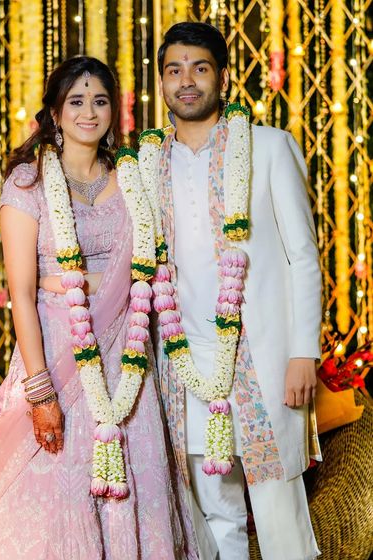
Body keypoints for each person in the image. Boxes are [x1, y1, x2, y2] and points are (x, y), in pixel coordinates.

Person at [0, 56, 198, 560]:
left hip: (126, 362)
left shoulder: (133, 179)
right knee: (59, 492)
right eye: (76, 101)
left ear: (114, 109)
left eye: (100, 100)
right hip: (57, 349)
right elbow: (22, 295)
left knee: (134, 489)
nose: (89, 112)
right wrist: (41, 389)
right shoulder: (27, 185)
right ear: (54, 111)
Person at [142, 22, 322, 560]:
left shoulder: (268, 147)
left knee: (277, 506)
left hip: (263, 359)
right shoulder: (146, 166)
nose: (187, 81)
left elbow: (303, 258)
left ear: (223, 75)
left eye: (200, 67)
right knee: (211, 511)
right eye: (174, 70)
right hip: (184, 364)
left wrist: (303, 352)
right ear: (161, 84)